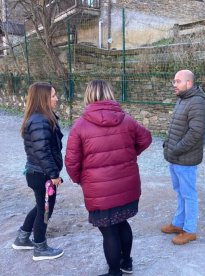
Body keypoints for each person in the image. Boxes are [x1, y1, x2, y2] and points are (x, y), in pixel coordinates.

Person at [65, 80, 152, 276]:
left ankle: (115, 272)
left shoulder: (80, 125)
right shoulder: (126, 119)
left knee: (109, 230)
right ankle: (126, 263)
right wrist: (129, 155)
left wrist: (82, 179)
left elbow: (71, 163)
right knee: (121, 223)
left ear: (89, 95)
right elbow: (146, 138)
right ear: (110, 94)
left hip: (99, 190)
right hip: (127, 184)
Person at [12, 82, 64, 261]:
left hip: (38, 173)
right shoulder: (40, 120)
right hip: (42, 175)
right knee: (45, 210)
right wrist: (54, 174)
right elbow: (43, 152)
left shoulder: (40, 118)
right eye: (53, 95)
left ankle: (22, 238)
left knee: (41, 206)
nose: (56, 99)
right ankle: (40, 248)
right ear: (43, 98)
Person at [161, 69, 205, 245]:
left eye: (178, 81)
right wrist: (168, 144)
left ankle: (189, 230)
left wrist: (177, 149)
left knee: (189, 195)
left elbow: (196, 132)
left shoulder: (197, 102)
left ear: (188, 83)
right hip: (175, 157)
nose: (174, 84)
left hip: (185, 159)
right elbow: (176, 126)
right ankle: (178, 223)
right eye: (174, 81)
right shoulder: (182, 99)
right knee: (180, 192)